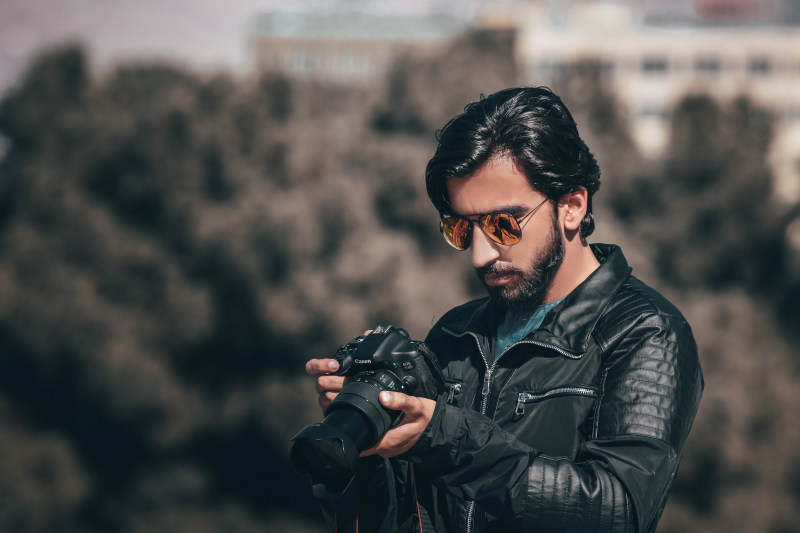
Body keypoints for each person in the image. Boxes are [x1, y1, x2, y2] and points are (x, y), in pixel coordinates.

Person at [305, 87, 703, 532]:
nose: (479, 254)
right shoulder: (454, 334)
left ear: (572, 206)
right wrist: (364, 443)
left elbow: (617, 510)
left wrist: (445, 436)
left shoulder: (646, 331)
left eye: (503, 225)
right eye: (460, 227)